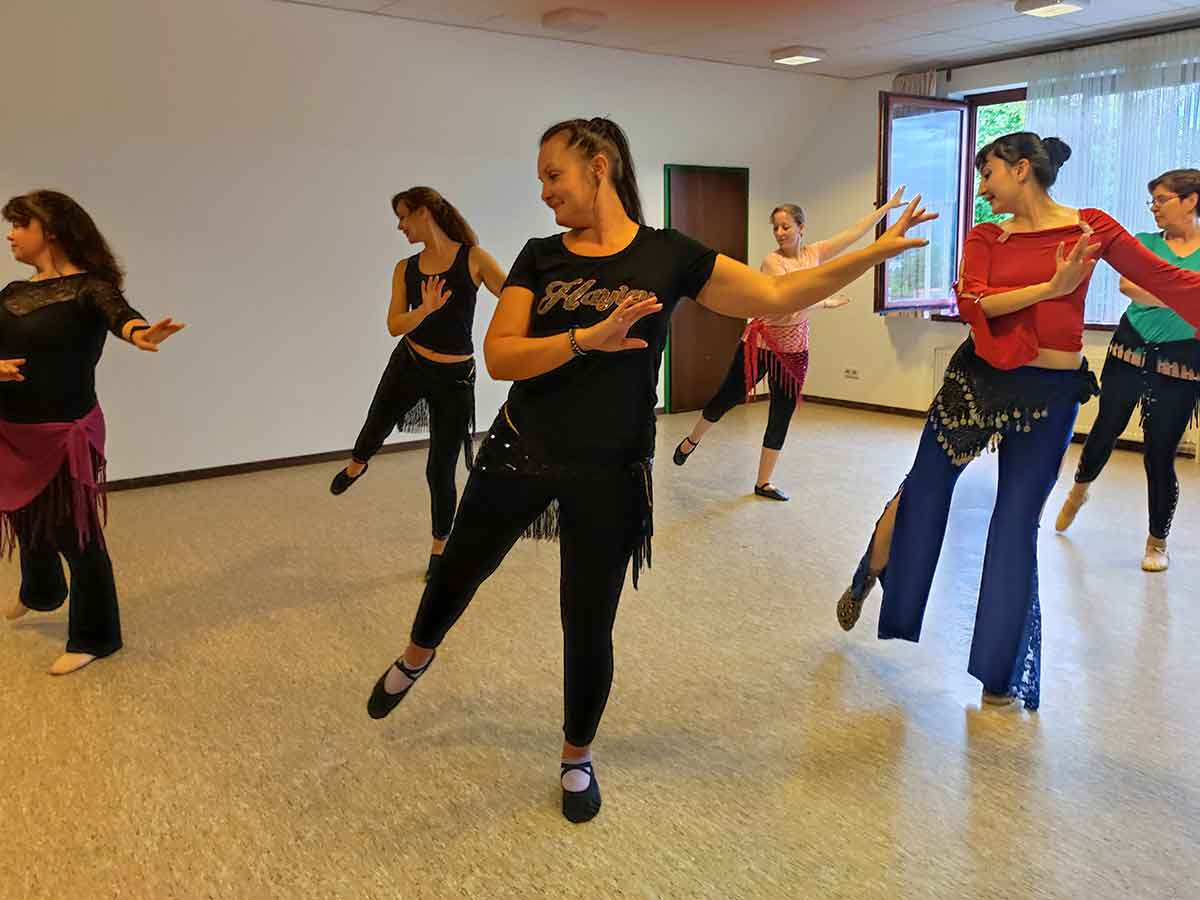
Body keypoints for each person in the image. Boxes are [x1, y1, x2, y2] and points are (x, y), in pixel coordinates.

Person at [364, 117, 934, 823]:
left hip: (610, 470)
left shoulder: (671, 256)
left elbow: (781, 296)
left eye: (553, 175)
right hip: (521, 447)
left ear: (598, 168)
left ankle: (576, 757)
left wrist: (873, 253)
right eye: (541, 179)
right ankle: (419, 655)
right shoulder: (541, 255)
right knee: (457, 569)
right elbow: (504, 355)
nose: (544, 192)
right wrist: (585, 339)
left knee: (587, 619)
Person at [835, 134, 1200, 711]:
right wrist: (1049, 288)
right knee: (924, 491)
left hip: (1050, 394)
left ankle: (999, 675)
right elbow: (971, 303)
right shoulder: (985, 236)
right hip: (976, 382)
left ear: (1021, 169)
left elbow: (1167, 279)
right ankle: (872, 569)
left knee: (1014, 524)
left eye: (988, 175)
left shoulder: (1091, 228)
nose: (981, 189)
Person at [1, 190, 185, 675]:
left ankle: (97, 636)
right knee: (23, 513)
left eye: (20, 224)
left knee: (74, 534)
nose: (10, 234)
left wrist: (142, 334)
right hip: (11, 431)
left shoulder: (90, 289)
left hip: (63, 432)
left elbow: (123, 318)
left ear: (52, 231)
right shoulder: (11, 294)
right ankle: (42, 591)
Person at [673, 190, 907, 499]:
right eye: (776, 228)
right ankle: (692, 439)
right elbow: (788, 303)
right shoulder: (772, 262)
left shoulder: (814, 253)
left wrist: (887, 208)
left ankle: (763, 482)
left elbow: (853, 233)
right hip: (761, 344)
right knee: (725, 399)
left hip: (794, 348)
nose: (780, 233)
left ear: (801, 228)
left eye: (786, 226)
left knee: (781, 414)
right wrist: (827, 302)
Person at [329, 188, 505, 580]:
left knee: (439, 470)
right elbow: (394, 326)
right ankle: (357, 466)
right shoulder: (404, 269)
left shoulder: (473, 259)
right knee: (375, 425)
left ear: (424, 213)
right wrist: (425, 309)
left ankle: (440, 549)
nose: (400, 226)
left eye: (403, 217)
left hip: (455, 378)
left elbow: (512, 295)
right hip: (409, 363)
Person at [1055, 169, 1200, 572]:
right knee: (1105, 429)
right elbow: (1128, 287)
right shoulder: (1146, 243)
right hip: (1131, 347)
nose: (1154, 208)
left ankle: (1157, 541)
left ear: (1191, 200)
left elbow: (1147, 291)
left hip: (1183, 359)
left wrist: (1158, 295)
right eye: (1151, 201)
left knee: (1159, 454)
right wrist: (1186, 296)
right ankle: (1079, 490)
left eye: (1163, 200)